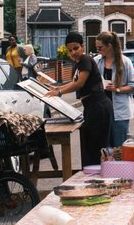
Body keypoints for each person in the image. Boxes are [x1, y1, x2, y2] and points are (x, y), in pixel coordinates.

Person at [46, 31, 113, 168]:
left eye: (76, 48)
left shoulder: (85, 60)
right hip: (91, 106)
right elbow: (73, 83)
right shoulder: (78, 64)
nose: (73, 52)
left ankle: (98, 181)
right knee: (90, 146)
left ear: (82, 46)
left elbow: (79, 83)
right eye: (70, 50)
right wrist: (56, 87)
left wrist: (58, 92)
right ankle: (93, 179)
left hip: (98, 106)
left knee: (96, 148)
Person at [95, 30, 134, 147]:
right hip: (102, 112)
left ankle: (121, 166)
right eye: (97, 48)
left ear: (109, 46)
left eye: (100, 48)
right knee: (105, 150)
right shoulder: (97, 61)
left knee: (120, 148)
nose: (98, 51)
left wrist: (117, 89)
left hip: (119, 113)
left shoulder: (125, 62)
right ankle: (108, 166)